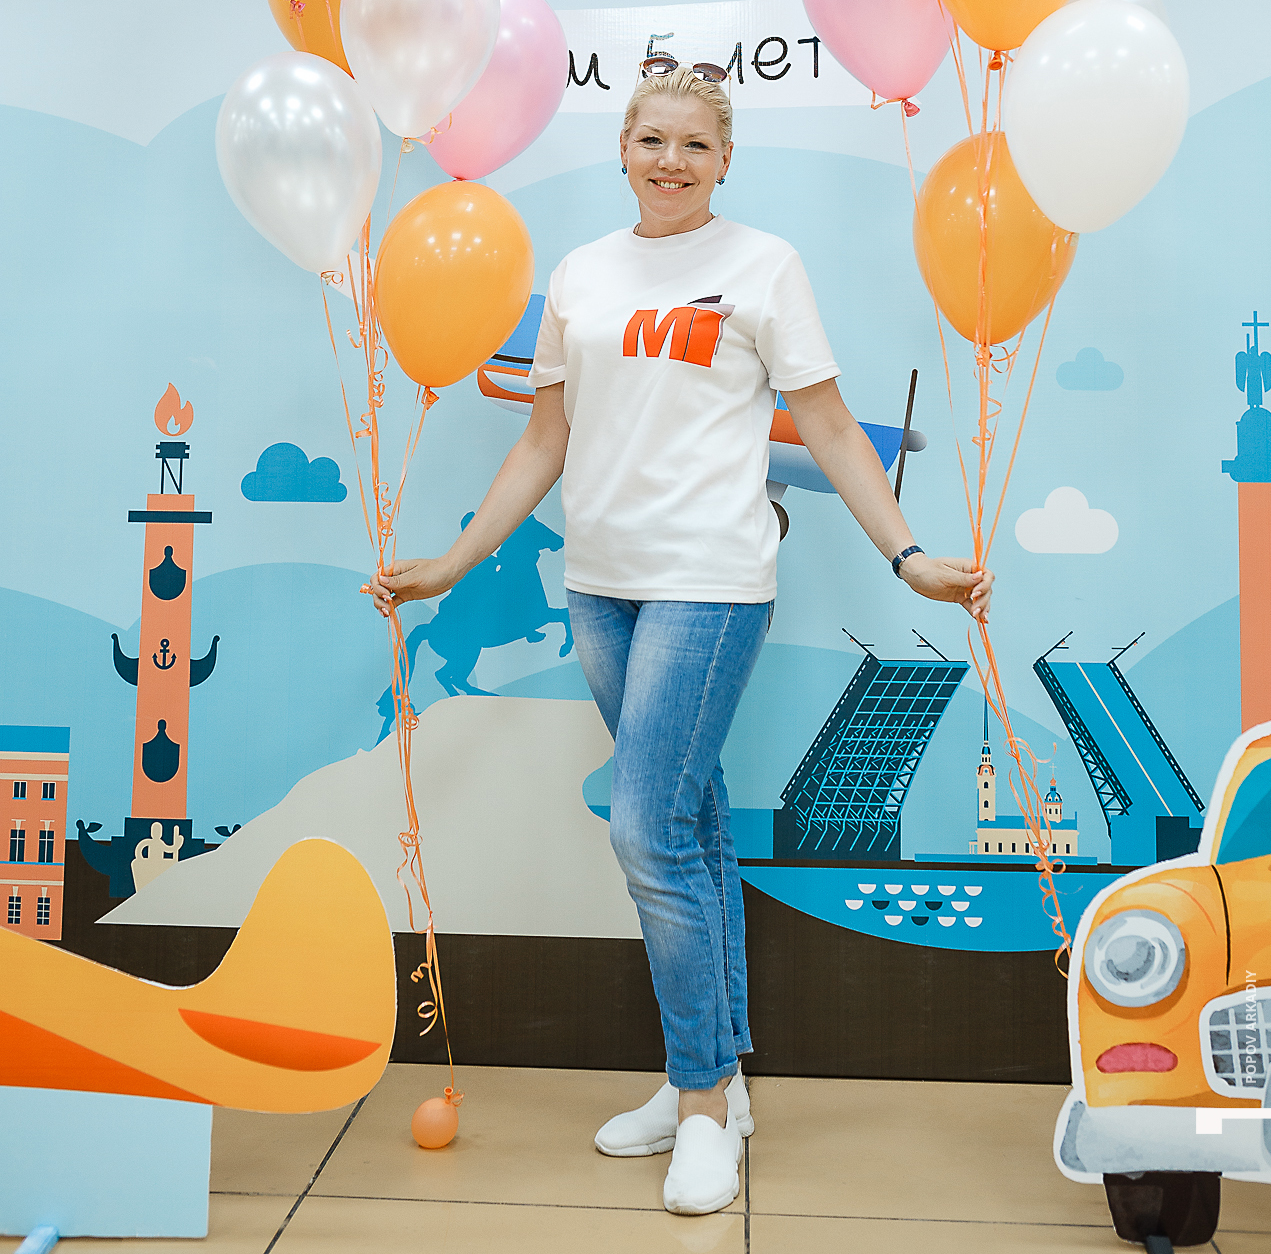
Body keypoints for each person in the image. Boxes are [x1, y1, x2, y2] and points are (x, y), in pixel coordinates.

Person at [370, 60, 993, 1217]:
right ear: (622, 149)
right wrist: (451, 564)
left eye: (694, 145)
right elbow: (543, 440)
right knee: (692, 820)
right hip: (599, 585)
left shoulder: (763, 266)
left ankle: (700, 1105)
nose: (670, 161)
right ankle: (717, 1076)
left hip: (710, 582)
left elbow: (826, 428)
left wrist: (907, 556)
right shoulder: (582, 274)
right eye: (651, 140)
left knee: (646, 826)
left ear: (723, 161)